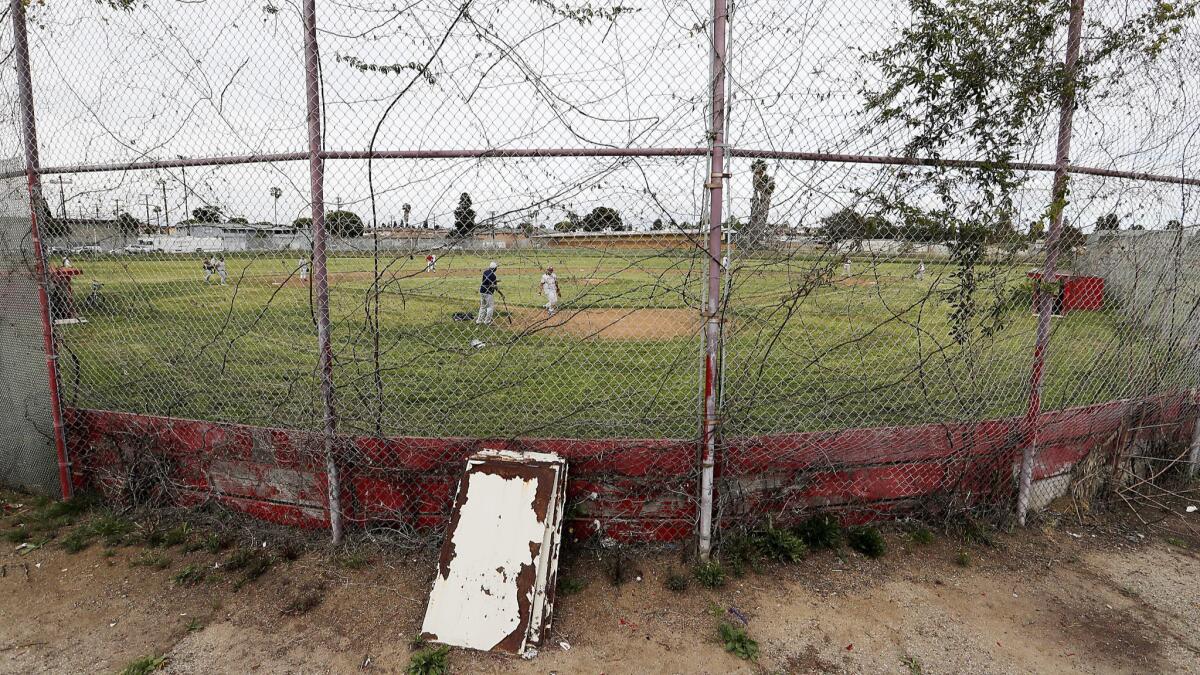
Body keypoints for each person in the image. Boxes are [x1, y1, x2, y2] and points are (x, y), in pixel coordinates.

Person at [476, 260, 498, 325]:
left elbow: (486, 281)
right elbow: (493, 285)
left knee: (483, 306)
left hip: (482, 291)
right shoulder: (493, 275)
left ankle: (479, 321)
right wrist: (497, 288)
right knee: (490, 307)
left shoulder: (485, 272)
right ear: (495, 268)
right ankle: (487, 321)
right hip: (488, 292)